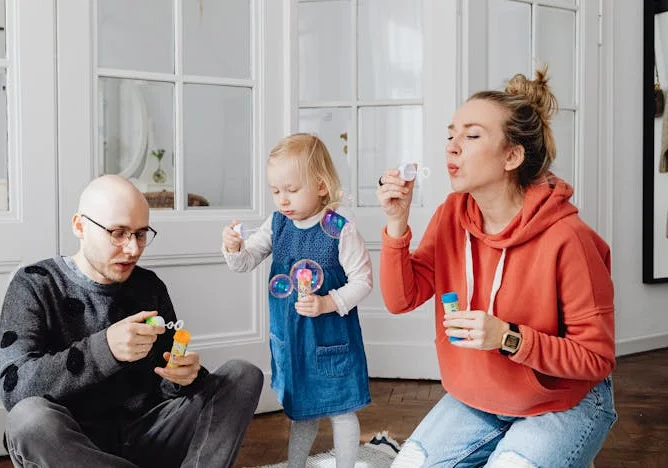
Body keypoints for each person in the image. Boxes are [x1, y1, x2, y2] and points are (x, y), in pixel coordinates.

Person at [377, 68, 617, 467]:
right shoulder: (451, 215)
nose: (453, 147)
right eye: (450, 135)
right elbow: (401, 299)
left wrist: (509, 337)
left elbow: (596, 358)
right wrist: (397, 224)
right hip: (482, 397)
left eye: (471, 136)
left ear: (512, 156)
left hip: (564, 400)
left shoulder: (568, 238)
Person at [0, 175, 263, 468]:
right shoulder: (35, 284)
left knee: (243, 374)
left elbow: (164, 393)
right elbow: (15, 389)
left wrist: (182, 378)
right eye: (118, 232)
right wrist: (104, 349)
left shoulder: (149, 287)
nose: (133, 249)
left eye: (140, 234)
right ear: (80, 226)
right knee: (27, 419)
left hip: (146, 435)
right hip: (76, 449)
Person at [222, 133, 373, 468]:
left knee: (341, 409)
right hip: (292, 339)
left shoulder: (339, 227)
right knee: (301, 411)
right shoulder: (278, 224)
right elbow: (246, 262)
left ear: (321, 186)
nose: (282, 200)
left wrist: (327, 303)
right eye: (276, 191)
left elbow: (363, 281)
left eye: (291, 189)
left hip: (332, 340)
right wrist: (233, 247)